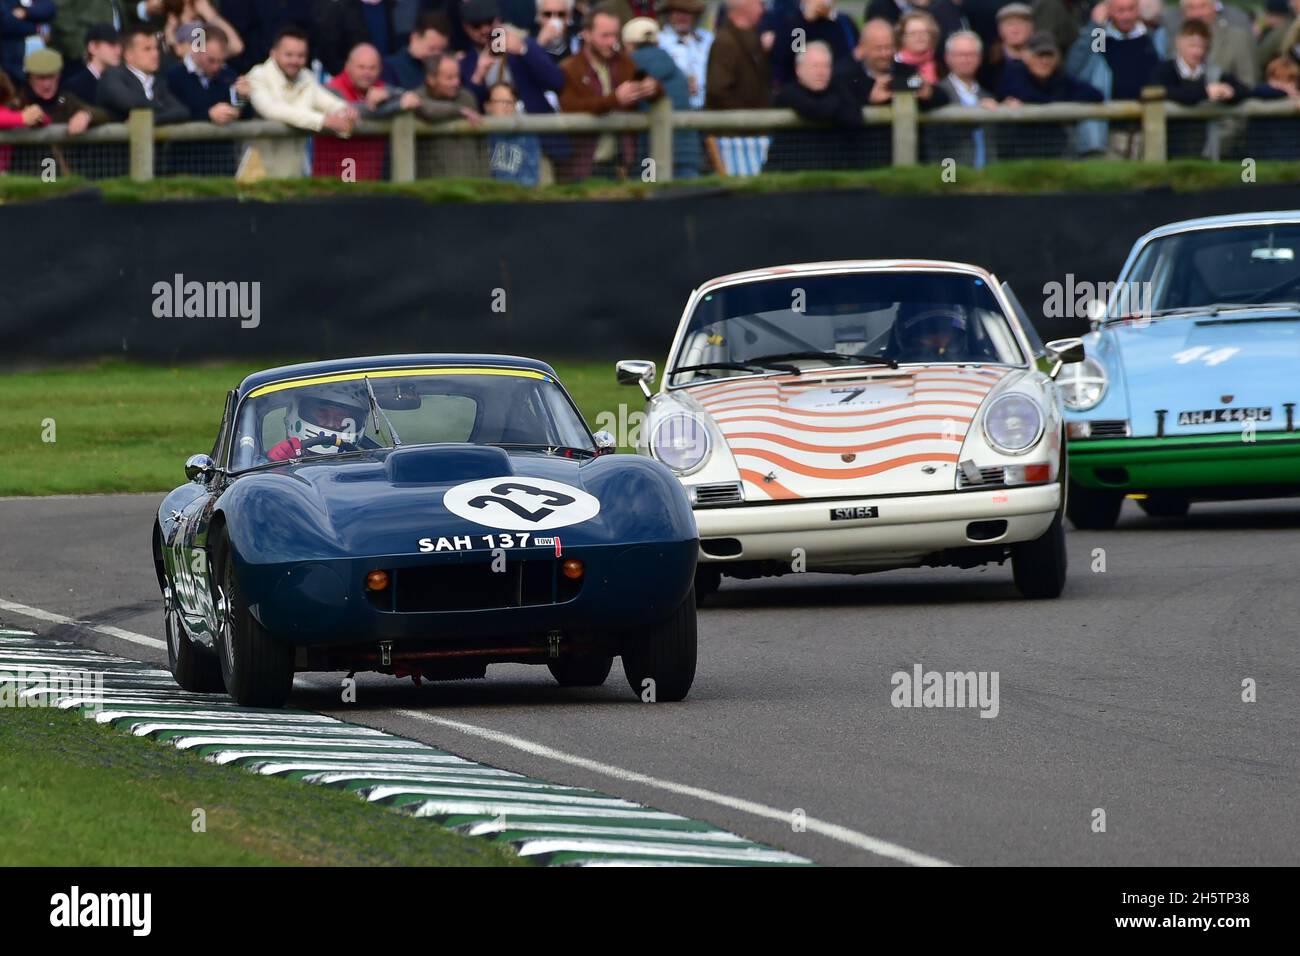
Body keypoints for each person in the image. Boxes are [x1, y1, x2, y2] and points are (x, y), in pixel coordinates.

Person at [557, 6, 659, 180]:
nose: (612, 42)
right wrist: (614, 99)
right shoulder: (569, 68)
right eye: (605, 36)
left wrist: (652, 88)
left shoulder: (625, 63)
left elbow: (656, 93)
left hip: (622, 164)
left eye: (615, 35)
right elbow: (569, 106)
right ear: (587, 34)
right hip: (586, 164)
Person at [247, 26, 357, 178]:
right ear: (273, 53)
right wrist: (322, 120)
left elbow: (328, 102)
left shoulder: (307, 76)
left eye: (300, 55)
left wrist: (345, 110)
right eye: (289, 54)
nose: (295, 60)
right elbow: (271, 110)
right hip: (258, 171)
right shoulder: (257, 75)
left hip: (294, 171)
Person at [1065, 0, 1167, 157]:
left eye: (1130, 9)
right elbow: (1078, 67)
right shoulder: (1101, 38)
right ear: (1109, 12)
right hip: (1109, 130)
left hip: (1147, 129)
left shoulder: (1152, 38)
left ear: (1138, 10)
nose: (1126, 16)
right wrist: (1095, 26)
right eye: (1120, 10)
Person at [314, 42, 419, 179]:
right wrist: (394, 105)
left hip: (370, 174)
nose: (366, 73)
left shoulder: (381, 88)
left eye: (372, 68)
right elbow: (351, 109)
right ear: (348, 67)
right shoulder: (330, 90)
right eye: (361, 67)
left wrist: (388, 95)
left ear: (380, 69)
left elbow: (410, 97)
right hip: (337, 174)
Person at [1000, 31, 1103, 157]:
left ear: (1057, 58)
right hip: (1017, 153)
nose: (1044, 61)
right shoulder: (1014, 72)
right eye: (1039, 55)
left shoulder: (1060, 78)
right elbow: (1022, 93)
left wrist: (1054, 101)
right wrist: (1058, 100)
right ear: (1026, 56)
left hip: (1055, 153)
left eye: (1049, 55)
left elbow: (1096, 95)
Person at [765, 40, 863, 171]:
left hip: (832, 169)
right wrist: (838, 103)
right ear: (799, 70)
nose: (821, 72)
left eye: (826, 66)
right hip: (789, 169)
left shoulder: (837, 88)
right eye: (815, 66)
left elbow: (854, 118)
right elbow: (816, 110)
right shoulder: (788, 93)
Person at [623, 15, 702, 177]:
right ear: (657, 42)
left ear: (628, 45)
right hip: (687, 154)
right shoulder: (676, 68)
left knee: (650, 198)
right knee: (689, 200)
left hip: (649, 156)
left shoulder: (630, 68)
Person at [458, 0, 566, 113]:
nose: (484, 29)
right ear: (466, 27)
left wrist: (524, 51)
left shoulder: (525, 44)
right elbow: (469, 107)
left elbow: (557, 82)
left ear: (498, 20)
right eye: (477, 25)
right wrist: (478, 75)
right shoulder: (466, 61)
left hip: (534, 122)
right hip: (494, 126)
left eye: (489, 22)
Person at [929, 30, 998, 167]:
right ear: (948, 57)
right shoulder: (938, 94)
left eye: (971, 54)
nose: (966, 59)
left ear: (979, 58)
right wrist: (948, 179)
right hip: (950, 173)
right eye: (960, 54)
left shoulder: (988, 96)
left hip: (987, 177)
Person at [413, 50, 488, 177]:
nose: (456, 82)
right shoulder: (418, 97)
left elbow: (481, 146)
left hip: (471, 184)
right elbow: (427, 109)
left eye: (457, 76)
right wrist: (458, 111)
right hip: (434, 186)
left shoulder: (467, 98)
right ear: (431, 79)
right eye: (449, 78)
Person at [97, 25, 192, 124]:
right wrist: (162, 107)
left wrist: (154, 119)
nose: (155, 54)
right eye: (147, 49)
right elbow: (128, 103)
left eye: (156, 48)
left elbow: (182, 112)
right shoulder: (112, 76)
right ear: (128, 54)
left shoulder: (159, 82)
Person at [267, 388, 373, 461]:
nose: (331, 423)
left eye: (340, 417)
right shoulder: (277, 458)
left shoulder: (369, 463)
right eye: (322, 414)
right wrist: (272, 463)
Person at [770, 0, 858, 87]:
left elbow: (852, 59)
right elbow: (787, 58)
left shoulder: (844, 23)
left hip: (838, 91)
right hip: (800, 93)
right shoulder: (791, 22)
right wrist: (805, 20)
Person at [705, 0, 772, 109]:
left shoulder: (754, 38)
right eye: (759, 3)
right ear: (745, 7)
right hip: (736, 122)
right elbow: (718, 91)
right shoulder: (725, 42)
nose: (763, 10)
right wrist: (747, 119)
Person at [484, 80, 542, 184]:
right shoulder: (480, 136)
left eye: (510, 102)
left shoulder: (527, 135)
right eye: (500, 102)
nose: (506, 107)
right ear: (488, 106)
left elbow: (531, 179)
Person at [658, 0, 711, 109]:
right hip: (674, 110)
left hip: (709, 110)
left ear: (695, 15)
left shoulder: (708, 39)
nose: (682, 17)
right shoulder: (658, 42)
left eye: (687, 12)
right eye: (677, 12)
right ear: (669, 14)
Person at [382, 9, 450, 88]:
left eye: (442, 50)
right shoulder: (390, 67)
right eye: (432, 49)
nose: (436, 54)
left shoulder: (446, 67)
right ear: (414, 38)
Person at [978, 2, 1033, 94]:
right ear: (1000, 30)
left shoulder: (1042, 59)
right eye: (1009, 24)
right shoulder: (988, 63)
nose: (1015, 29)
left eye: (1020, 24)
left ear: (1031, 29)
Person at [62, 23, 122, 105]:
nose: (118, 51)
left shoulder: (121, 82)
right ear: (93, 47)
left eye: (119, 45)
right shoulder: (74, 87)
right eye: (112, 45)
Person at [1, 0, 55, 83]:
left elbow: (50, 9)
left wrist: (26, 12)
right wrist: (38, 28)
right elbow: (7, 23)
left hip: (41, 59)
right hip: (11, 61)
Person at [896, 9, 941, 84]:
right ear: (902, 37)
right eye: (913, 33)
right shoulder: (895, 63)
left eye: (924, 32)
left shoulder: (941, 62)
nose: (919, 37)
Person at [532, 0, 579, 66]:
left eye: (561, 14)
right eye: (547, 14)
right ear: (538, 16)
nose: (554, 20)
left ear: (569, 17)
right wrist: (539, 44)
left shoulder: (579, 43)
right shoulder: (527, 44)